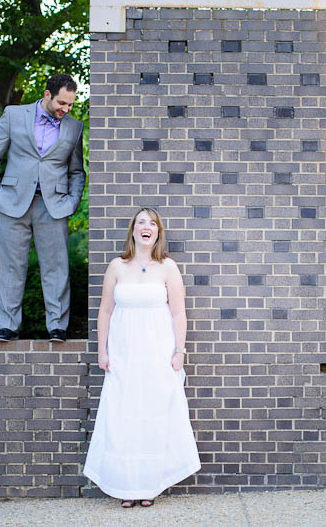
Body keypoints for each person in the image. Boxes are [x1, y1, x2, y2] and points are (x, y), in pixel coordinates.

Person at [83, 207, 201, 507]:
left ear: (158, 232)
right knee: (124, 417)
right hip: (123, 355)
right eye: (140, 222)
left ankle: (148, 486)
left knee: (153, 416)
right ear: (133, 231)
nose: (146, 227)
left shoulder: (167, 267)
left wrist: (179, 351)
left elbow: (178, 312)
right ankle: (125, 486)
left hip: (157, 354)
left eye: (152, 223)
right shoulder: (117, 266)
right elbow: (105, 311)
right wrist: (102, 350)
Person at [0, 73, 85, 343]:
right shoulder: (14, 116)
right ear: (47, 94)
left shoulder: (75, 128)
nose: (66, 109)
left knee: (56, 268)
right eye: (62, 102)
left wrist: (73, 201)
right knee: (10, 268)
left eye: (71, 105)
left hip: (53, 206)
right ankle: (7, 326)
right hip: (12, 202)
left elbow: (77, 171)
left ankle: (57, 327)